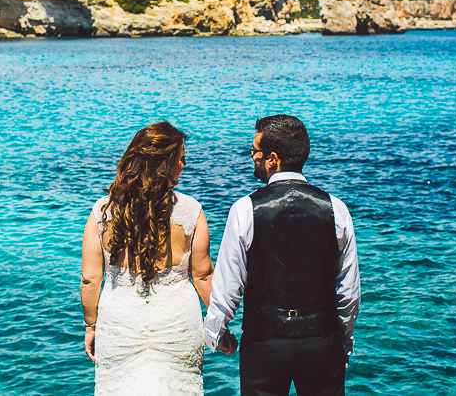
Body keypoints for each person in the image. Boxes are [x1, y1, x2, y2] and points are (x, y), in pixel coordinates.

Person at [204, 115, 360, 396]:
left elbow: (229, 284)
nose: (251, 156)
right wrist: (344, 340)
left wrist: (217, 332)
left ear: (272, 159)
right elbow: (348, 291)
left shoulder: (244, 209)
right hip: (321, 340)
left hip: (264, 341)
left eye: (254, 151)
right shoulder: (336, 209)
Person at [80, 121, 216, 395]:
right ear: (164, 165)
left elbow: (90, 279)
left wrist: (90, 326)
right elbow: (203, 276)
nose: (184, 165)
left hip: (120, 323)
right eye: (181, 159)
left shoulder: (101, 212)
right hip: (177, 324)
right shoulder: (191, 212)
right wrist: (219, 326)